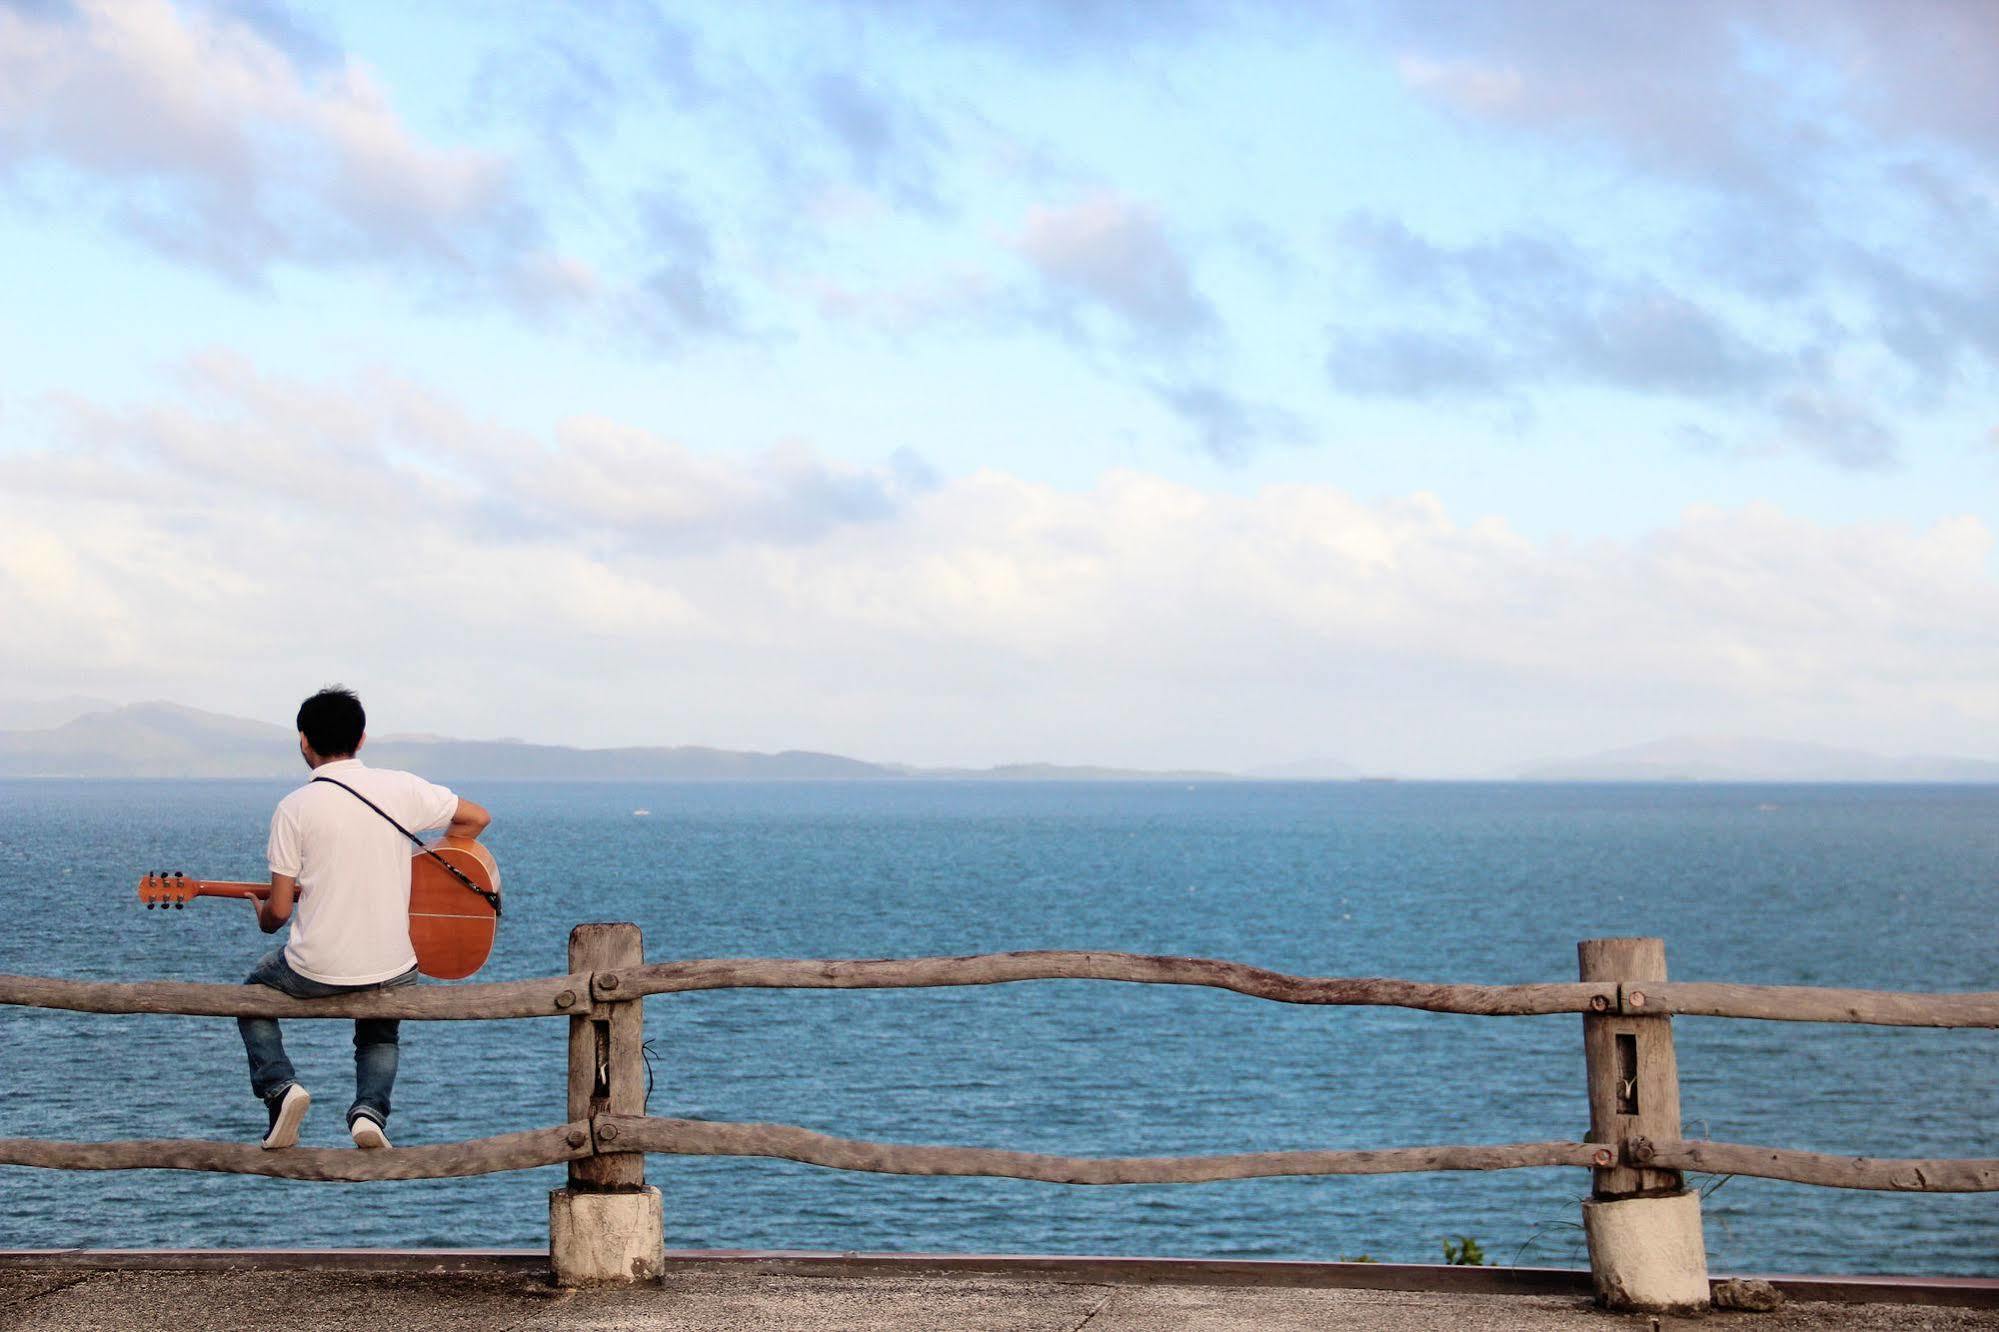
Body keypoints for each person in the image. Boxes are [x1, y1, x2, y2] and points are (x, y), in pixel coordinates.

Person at [239, 686, 491, 1151]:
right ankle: (369, 1112)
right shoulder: (402, 787)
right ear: (362, 739)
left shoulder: (294, 809)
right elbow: (476, 818)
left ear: (303, 742)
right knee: (379, 1032)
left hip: (315, 969)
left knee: (252, 996)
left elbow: (278, 910)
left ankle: (281, 1089)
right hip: (393, 966)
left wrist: (263, 917)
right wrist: (431, 866)